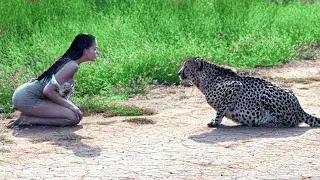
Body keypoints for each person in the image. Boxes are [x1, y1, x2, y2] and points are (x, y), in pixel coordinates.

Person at [6, 33, 99, 128]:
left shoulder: (70, 63)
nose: (97, 52)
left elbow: (59, 94)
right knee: (73, 117)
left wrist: (70, 105)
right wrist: (72, 107)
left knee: (74, 116)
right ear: (85, 51)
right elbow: (48, 90)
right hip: (26, 98)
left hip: (25, 94)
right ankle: (26, 119)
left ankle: (29, 117)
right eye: (95, 49)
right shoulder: (72, 65)